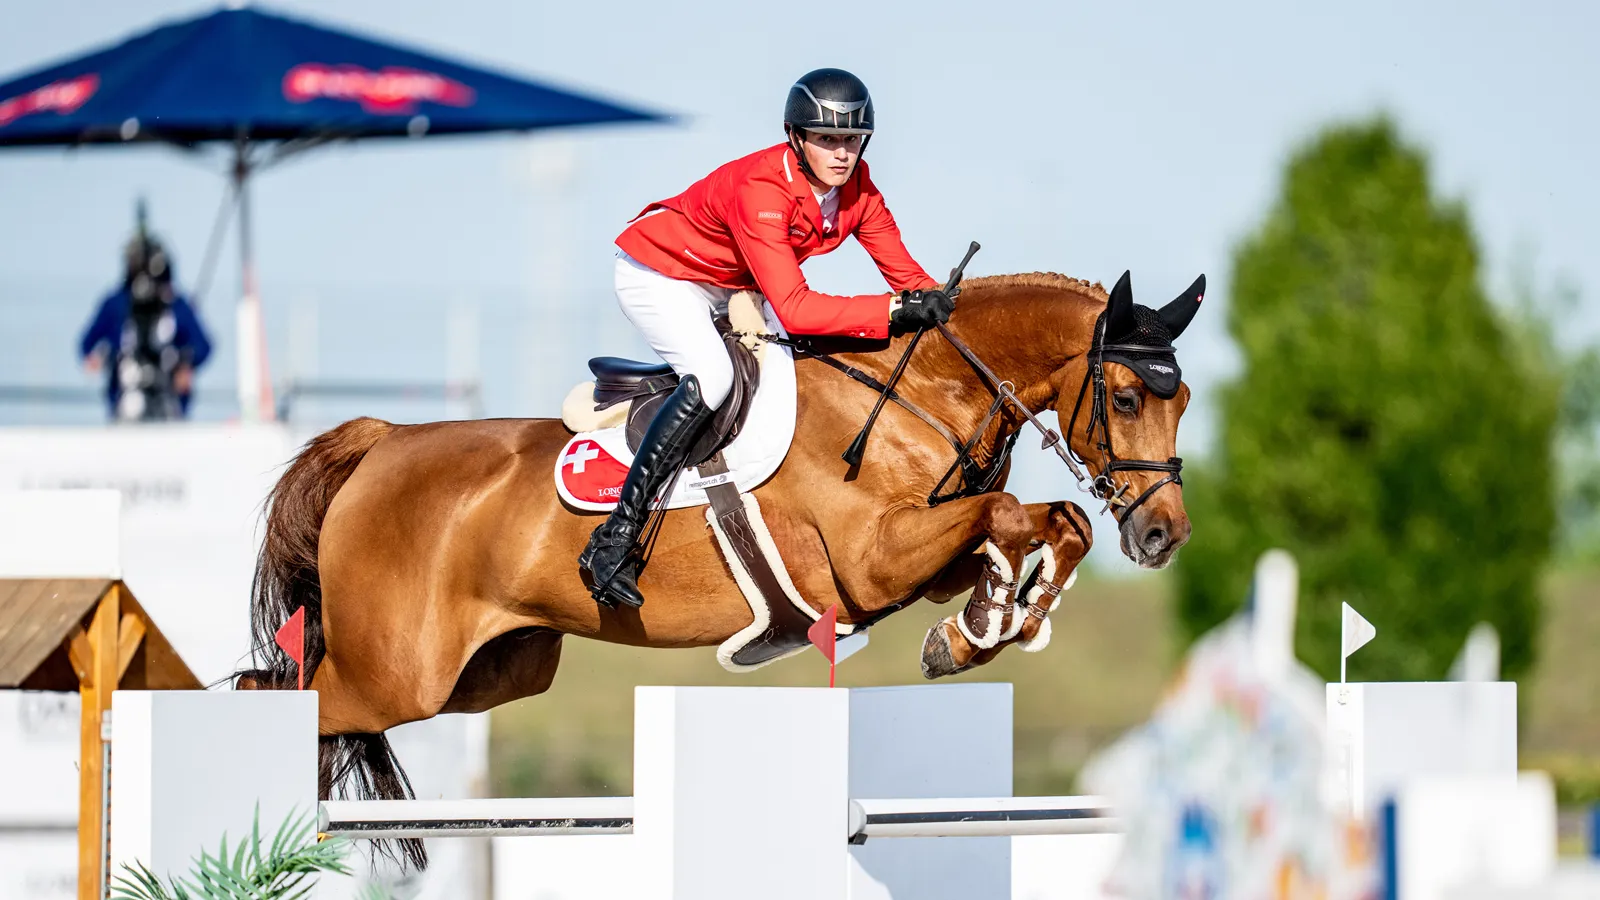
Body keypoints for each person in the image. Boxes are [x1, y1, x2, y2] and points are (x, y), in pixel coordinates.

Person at [580, 67, 956, 609]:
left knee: (803, 378)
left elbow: (908, 278)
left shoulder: (858, 188)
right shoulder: (762, 189)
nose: (843, 153)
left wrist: (940, 306)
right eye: (828, 139)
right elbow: (800, 310)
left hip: (733, 282)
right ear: (795, 137)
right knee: (714, 378)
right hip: (661, 276)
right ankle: (616, 535)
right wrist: (896, 310)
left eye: (852, 139)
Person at [79, 213, 212, 421]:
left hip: (170, 403)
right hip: (124, 401)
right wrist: (96, 357)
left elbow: (204, 345)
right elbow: (86, 343)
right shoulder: (116, 304)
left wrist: (187, 365)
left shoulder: (176, 305)